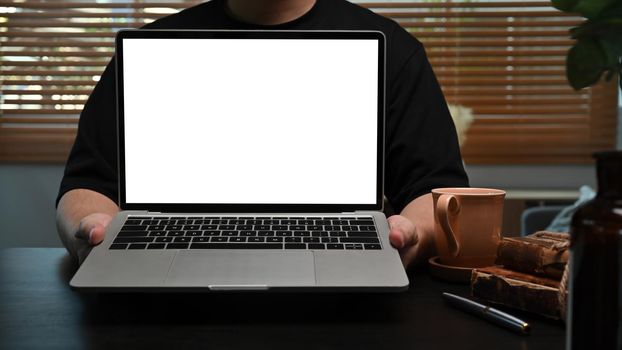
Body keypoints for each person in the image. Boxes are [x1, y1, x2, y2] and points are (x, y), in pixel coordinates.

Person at [56, 0, 469, 267]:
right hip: (167, 305)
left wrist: (412, 236)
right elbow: (87, 183)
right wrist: (89, 237)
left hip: (342, 308)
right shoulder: (151, 48)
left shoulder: (394, 50)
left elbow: (435, 189)